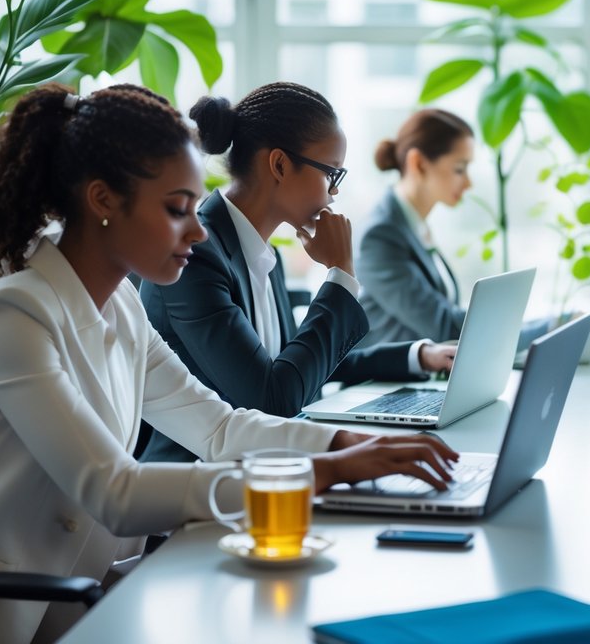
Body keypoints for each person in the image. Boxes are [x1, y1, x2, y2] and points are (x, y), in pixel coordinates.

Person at [0, 84, 458, 644]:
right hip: (13, 613)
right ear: (104, 201)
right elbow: (115, 491)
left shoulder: (124, 307)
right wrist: (323, 474)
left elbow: (218, 425)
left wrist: (342, 444)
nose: (199, 230)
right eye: (177, 209)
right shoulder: (14, 314)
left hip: (94, 592)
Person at [139, 83, 455, 464]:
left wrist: (418, 356)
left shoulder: (265, 253)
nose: (333, 195)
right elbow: (273, 399)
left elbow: (294, 364)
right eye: (331, 175)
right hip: (198, 489)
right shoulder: (196, 256)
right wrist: (340, 275)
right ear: (279, 165)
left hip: (270, 468)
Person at [356, 108, 555, 351]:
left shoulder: (414, 224)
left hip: (425, 378)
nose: (468, 182)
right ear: (418, 163)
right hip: (383, 385)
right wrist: (547, 328)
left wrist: (546, 324)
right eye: (460, 168)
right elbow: (443, 325)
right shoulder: (381, 235)